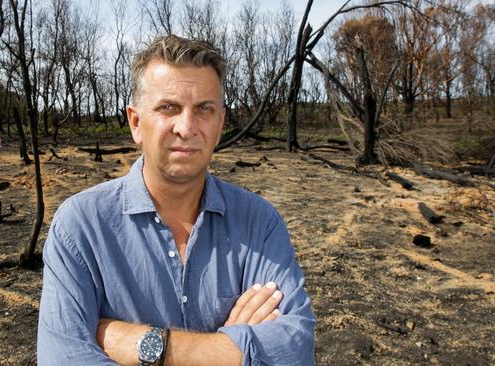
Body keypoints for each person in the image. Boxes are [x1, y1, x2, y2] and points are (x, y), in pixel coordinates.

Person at [37, 35, 315, 365]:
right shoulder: (81, 227)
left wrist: (147, 345)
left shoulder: (261, 224)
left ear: (220, 123)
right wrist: (233, 350)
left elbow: (295, 352)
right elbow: (61, 359)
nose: (186, 127)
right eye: (168, 108)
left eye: (204, 109)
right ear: (136, 123)